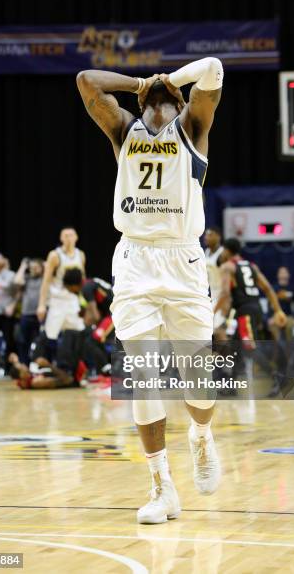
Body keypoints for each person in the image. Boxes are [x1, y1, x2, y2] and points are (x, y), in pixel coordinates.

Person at [77, 56, 224, 524]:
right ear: (140, 103)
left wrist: (171, 80)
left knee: (198, 378)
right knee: (143, 374)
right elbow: (87, 81)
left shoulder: (192, 129)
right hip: (136, 260)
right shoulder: (124, 130)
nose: (160, 93)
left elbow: (214, 68)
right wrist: (142, 81)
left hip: (182, 260)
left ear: (180, 102)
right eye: (151, 93)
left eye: (168, 92)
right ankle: (162, 489)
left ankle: (201, 437)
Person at [216, 238, 288, 396]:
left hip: (245, 312)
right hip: (255, 308)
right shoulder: (252, 266)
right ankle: (232, 386)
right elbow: (268, 288)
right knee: (235, 347)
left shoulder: (228, 267)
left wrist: (213, 312)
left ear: (227, 251)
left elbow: (225, 293)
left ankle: (277, 377)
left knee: (249, 348)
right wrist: (278, 310)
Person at [37, 228, 86, 341]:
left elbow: (82, 279)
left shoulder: (81, 255)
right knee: (50, 336)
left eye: (71, 235)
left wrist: (82, 300)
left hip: (73, 301)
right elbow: (46, 280)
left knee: (79, 333)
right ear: (61, 238)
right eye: (66, 235)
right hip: (57, 301)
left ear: (76, 237)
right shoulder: (54, 255)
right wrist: (41, 305)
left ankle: (75, 358)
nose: (69, 237)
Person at [14, 258, 44, 363]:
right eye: (32, 268)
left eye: (36, 267)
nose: (34, 270)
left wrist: (45, 266)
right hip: (26, 314)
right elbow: (17, 281)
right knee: (23, 341)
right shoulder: (26, 278)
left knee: (41, 342)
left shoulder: (45, 279)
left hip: (41, 315)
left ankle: (38, 365)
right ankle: (24, 365)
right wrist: (23, 266)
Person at [204, 226, 225, 329]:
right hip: (208, 295)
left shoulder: (223, 254)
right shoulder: (205, 252)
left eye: (210, 235)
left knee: (217, 328)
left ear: (218, 237)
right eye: (206, 235)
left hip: (220, 295)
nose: (206, 237)